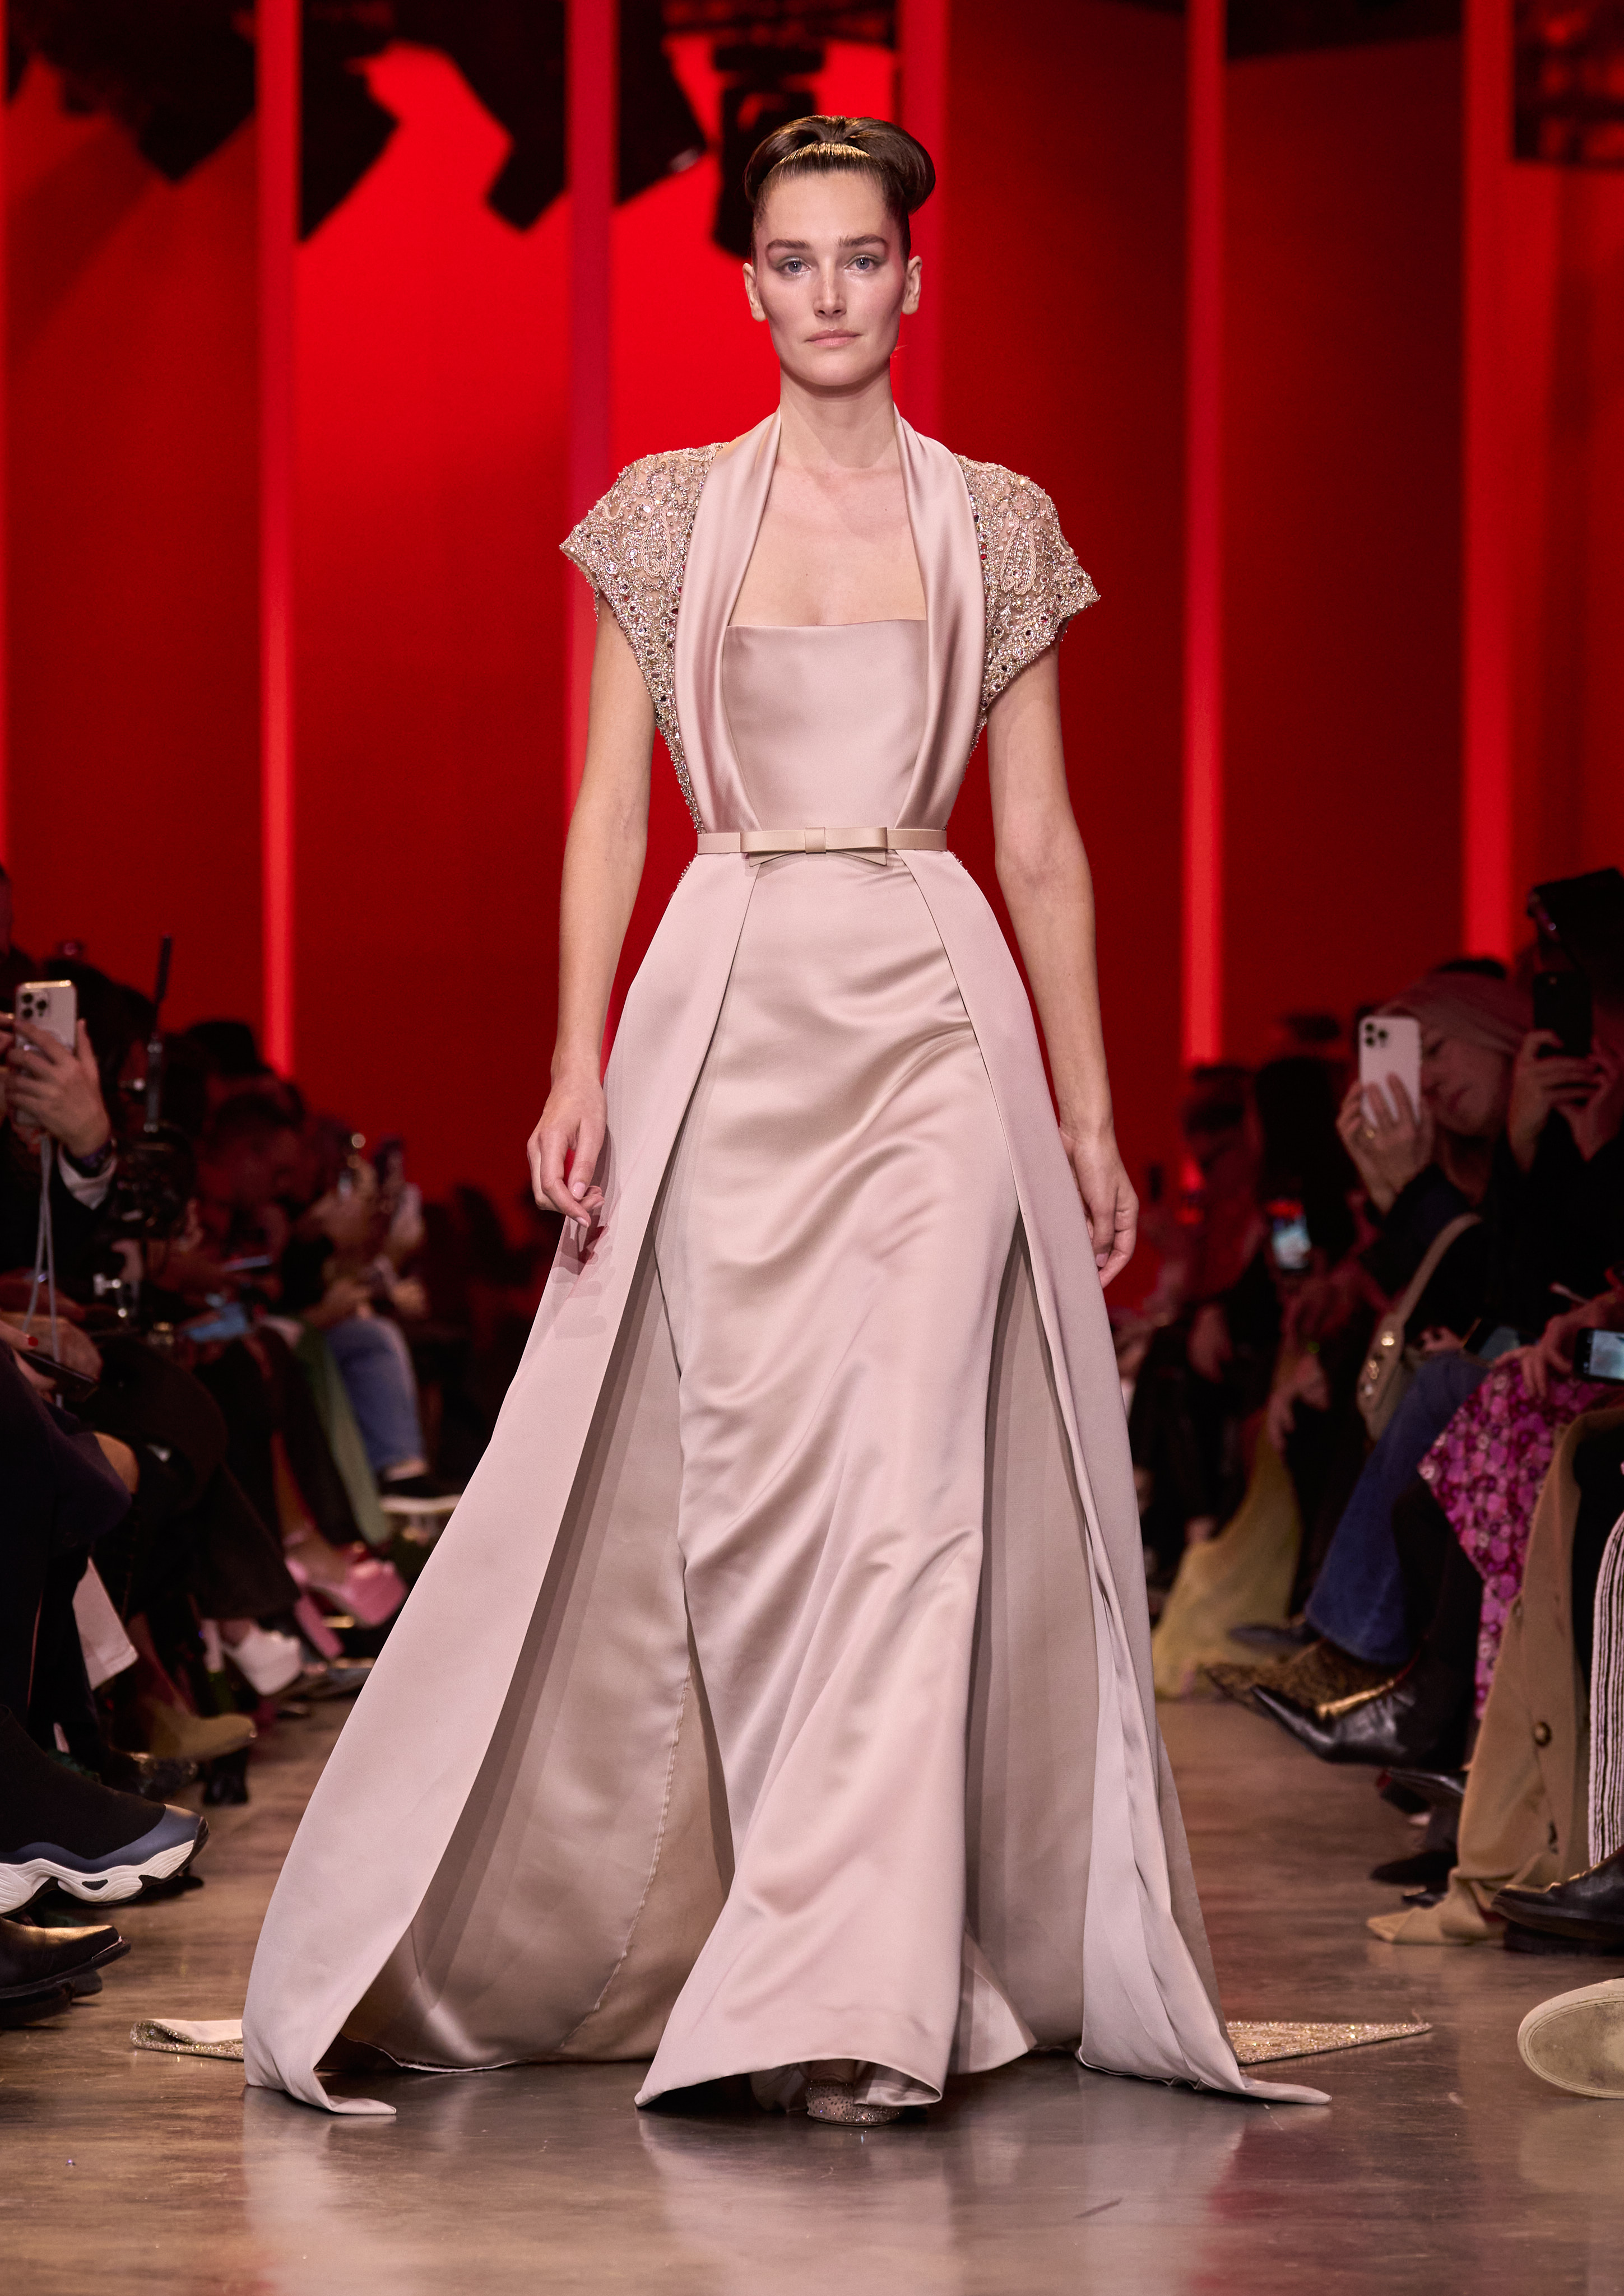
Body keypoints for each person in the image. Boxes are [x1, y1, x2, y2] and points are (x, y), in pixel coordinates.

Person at [244, 116, 1321, 2124]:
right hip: (724, 1008)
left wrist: (1090, 1114)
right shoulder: (660, 517)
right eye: (795, 258)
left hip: (931, 1014)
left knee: (913, 1497)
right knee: (745, 1507)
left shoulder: (996, 521)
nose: (830, 290)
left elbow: (1043, 843)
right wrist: (573, 1060)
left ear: (915, 278)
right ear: (749, 285)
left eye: (861, 255)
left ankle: (855, 2001)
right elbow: (603, 818)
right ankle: (784, 1942)